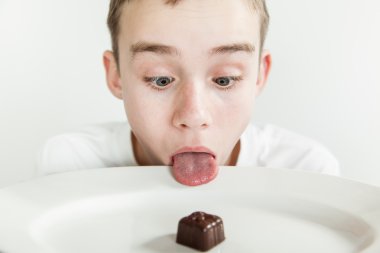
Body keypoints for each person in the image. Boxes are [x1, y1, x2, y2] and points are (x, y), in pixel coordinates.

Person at [36, 0, 340, 186]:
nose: (194, 115)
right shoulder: (73, 167)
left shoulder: (305, 172)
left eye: (224, 80)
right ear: (116, 76)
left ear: (259, 76)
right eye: (160, 79)